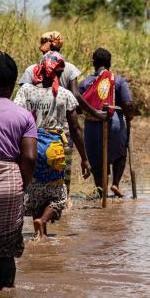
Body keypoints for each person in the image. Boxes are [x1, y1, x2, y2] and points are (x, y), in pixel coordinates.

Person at [14, 51, 91, 239]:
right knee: (57, 194)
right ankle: (43, 221)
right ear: (58, 73)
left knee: (34, 187)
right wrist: (85, 159)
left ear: (39, 70)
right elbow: (75, 128)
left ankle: (39, 233)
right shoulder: (64, 95)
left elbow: (15, 117)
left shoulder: (26, 91)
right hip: (55, 149)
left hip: (30, 146)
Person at [19, 31, 102, 194]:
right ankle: (58, 209)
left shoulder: (31, 70)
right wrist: (96, 114)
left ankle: (39, 212)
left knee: (35, 182)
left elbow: (21, 107)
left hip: (33, 137)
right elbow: (76, 97)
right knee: (62, 183)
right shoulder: (68, 69)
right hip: (62, 137)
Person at [0, 50, 37, 291]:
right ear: (12, 84)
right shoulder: (24, 116)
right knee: (4, 253)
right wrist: (23, 184)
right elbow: (29, 158)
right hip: (9, 184)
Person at [79, 47, 134, 197]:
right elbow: (128, 105)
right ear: (109, 63)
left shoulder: (85, 83)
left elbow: (78, 107)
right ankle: (115, 184)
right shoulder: (118, 80)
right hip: (115, 125)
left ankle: (101, 189)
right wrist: (130, 115)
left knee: (97, 159)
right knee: (120, 154)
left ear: (93, 63)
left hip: (92, 128)